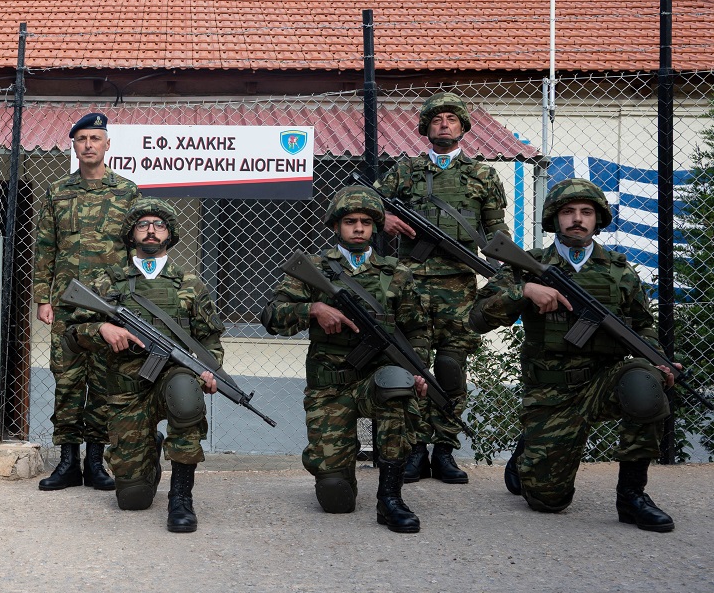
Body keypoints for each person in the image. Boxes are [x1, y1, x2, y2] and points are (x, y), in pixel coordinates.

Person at [469, 179, 677, 532]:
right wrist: (524, 291)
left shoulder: (619, 271)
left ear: (598, 219)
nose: (577, 219)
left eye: (586, 212)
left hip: (603, 382)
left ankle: (632, 496)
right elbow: (477, 318)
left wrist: (657, 357)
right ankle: (529, 451)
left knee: (644, 383)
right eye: (568, 212)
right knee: (548, 502)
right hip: (551, 393)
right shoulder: (528, 265)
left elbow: (644, 327)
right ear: (554, 218)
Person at [260, 187, 432, 533]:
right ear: (336, 225)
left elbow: (417, 330)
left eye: (366, 222)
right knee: (335, 498)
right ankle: (336, 470)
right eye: (350, 221)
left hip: (377, 381)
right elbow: (271, 315)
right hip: (331, 386)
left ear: (376, 227)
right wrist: (313, 309)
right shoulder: (315, 269)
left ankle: (390, 499)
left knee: (397, 386)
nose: (358, 228)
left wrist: (418, 372)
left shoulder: (396, 273)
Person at [62, 199, 223, 532]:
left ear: (170, 234)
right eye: (143, 224)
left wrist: (210, 371)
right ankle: (149, 454)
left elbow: (210, 343)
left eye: (159, 224)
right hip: (126, 388)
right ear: (131, 234)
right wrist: (102, 329)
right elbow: (70, 335)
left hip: (175, 377)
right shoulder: (108, 281)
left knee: (185, 393)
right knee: (132, 499)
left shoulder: (189, 284)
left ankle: (181, 497)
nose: (151, 230)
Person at [378, 92, 507, 485]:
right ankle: (415, 449)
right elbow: (362, 205)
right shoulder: (404, 172)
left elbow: (496, 230)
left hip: (459, 285)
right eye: (437, 120)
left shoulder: (483, 175)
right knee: (411, 367)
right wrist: (382, 217)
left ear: (463, 126)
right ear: (425, 129)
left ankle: (445, 449)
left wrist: (502, 270)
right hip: (410, 284)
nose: (444, 124)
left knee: (451, 367)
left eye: (452, 118)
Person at [33, 112, 140, 491]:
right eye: (82, 139)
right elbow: (45, 248)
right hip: (65, 306)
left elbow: (137, 251)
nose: (89, 145)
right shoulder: (57, 192)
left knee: (104, 381)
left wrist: (133, 301)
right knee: (67, 381)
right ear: (74, 146)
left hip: (109, 306)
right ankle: (67, 462)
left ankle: (95, 462)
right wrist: (42, 299)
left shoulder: (128, 193)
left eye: (96, 138)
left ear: (107, 144)